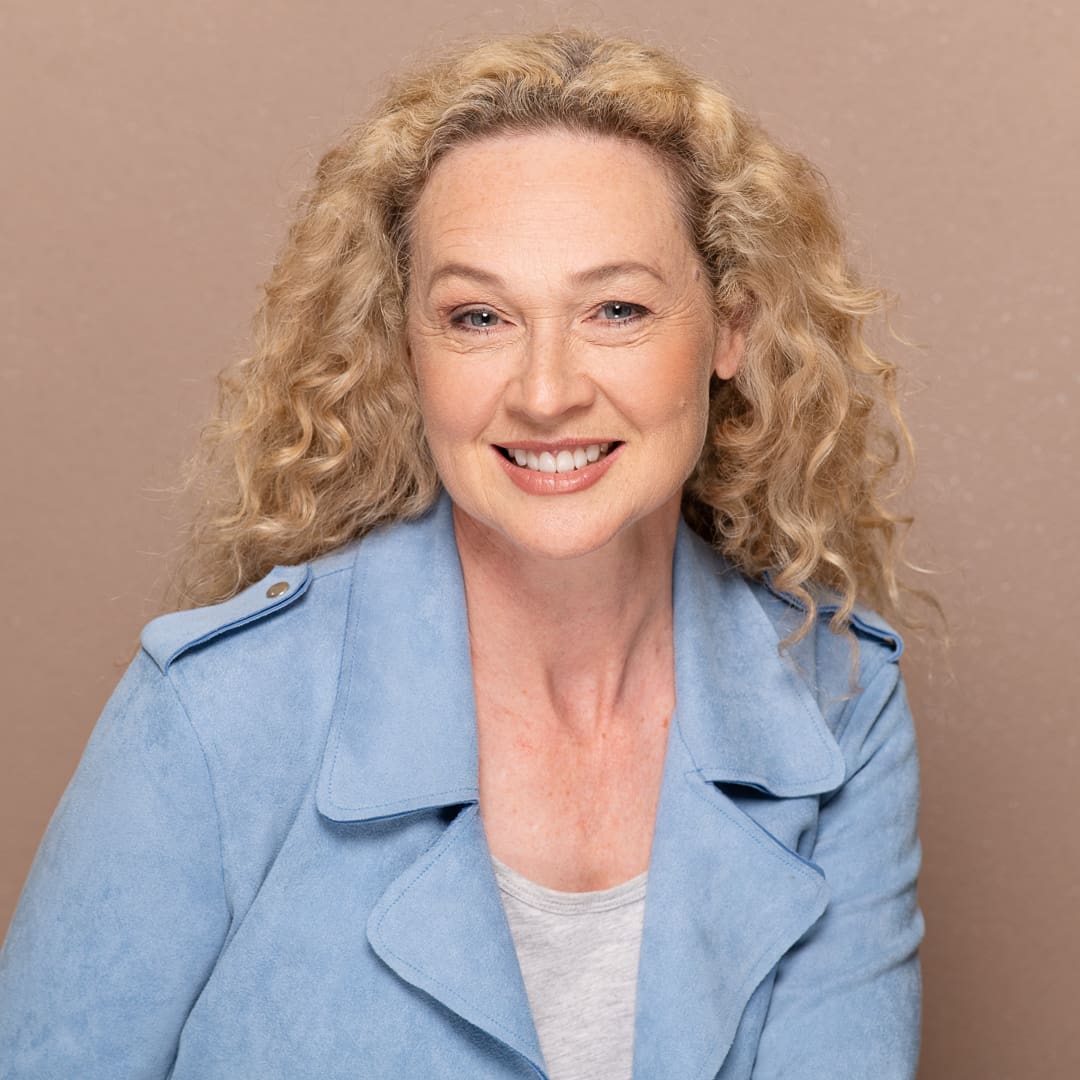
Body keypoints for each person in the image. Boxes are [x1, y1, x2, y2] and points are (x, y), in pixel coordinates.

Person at [0, 27, 929, 1079]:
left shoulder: (839, 704)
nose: (544, 392)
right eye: (478, 316)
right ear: (406, 346)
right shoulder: (215, 711)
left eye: (615, 309)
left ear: (731, 332)